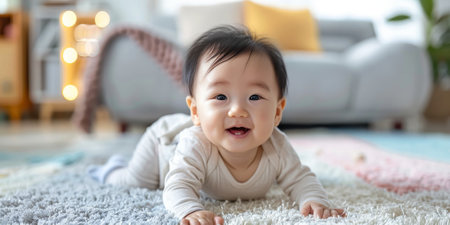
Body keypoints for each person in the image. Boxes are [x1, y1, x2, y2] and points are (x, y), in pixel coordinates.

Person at [89, 25, 345, 225]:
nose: (237, 110)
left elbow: (300, 178)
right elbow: (178, 186)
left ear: (277, 111)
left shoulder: (276, 145)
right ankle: (110, 169)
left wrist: (314, 199)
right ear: (196, 110)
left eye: (254, 97)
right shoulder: (196, 143)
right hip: (162, 144)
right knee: (134, 181)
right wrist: (192, 209)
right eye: (220, 97)